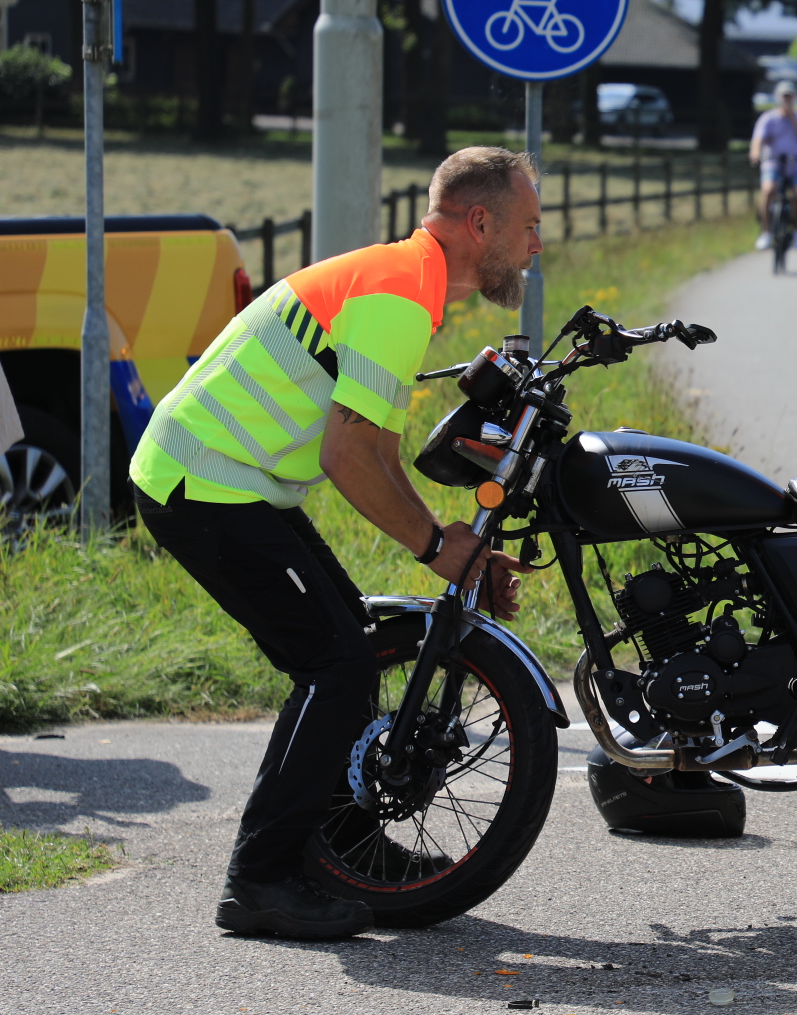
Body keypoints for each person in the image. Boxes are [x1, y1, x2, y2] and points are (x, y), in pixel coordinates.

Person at [131, 146, 541, 941]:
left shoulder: (408, 281)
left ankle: (346, 846)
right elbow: (346, 456)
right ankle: (259, 880)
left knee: (349, 645)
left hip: (234, 482)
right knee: (338, 660)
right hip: (202, 484)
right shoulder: (398, 294)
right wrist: (436, 549)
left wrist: (448, 543)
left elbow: (378, 451)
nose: (535, 245)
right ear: (478, 221)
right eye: (527, 226)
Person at [751, 81, 797, 252]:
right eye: (784, 96)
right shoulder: (768, 118)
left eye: (790, 96)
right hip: (774, 162)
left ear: (795, 97)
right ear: (778, 98)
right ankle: (766, 232)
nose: (787, 100)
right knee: (768, 190)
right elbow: (758, 138)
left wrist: (792, 117)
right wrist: (756, 153)